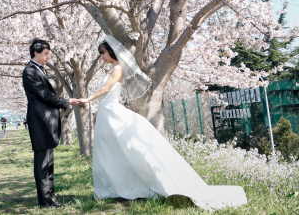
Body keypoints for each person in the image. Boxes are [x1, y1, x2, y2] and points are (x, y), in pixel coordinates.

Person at [76, 36, 248, 211]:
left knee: (125, 148)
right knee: (109, 150)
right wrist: (98, 112)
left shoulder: (118, 68)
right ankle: (113, 186)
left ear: (112, 52)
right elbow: (105, 94)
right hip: (105, 113)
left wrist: (87, 99)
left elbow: (106, 89)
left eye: (103, 53)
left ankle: (135, 184)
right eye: (101, 53)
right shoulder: (111, 69)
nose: (102, 56)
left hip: (113, 113)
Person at [22, 39, 80, 208]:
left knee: (48, 162)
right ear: (36, 53)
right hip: (40, 122)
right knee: (43, 164)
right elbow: (44, 96)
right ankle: (45, 201)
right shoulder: (30, 71)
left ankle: (49, 199)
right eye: (46, 54)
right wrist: (66, 102)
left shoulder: (36, 70)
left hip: (45, 122)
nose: (48, 57)